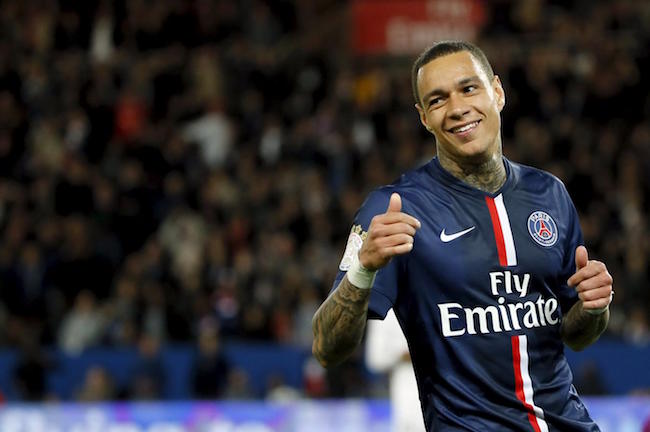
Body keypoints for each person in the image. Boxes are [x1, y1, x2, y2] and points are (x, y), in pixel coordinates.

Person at [312, 41, 614, 431]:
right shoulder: (393, 208)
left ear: (497, 92)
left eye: (469, 88)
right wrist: (363, 270)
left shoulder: (550, 194)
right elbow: (326, 347)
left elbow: (575, 336)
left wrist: (594, 307)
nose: (456, 108)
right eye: (437, 100)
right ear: (423, 117)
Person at [366, 308, 426, 432]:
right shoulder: (384, 312)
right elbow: (374, 359)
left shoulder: (429, 303)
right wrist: (402, 354)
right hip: (404, 390)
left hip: (438, 390)